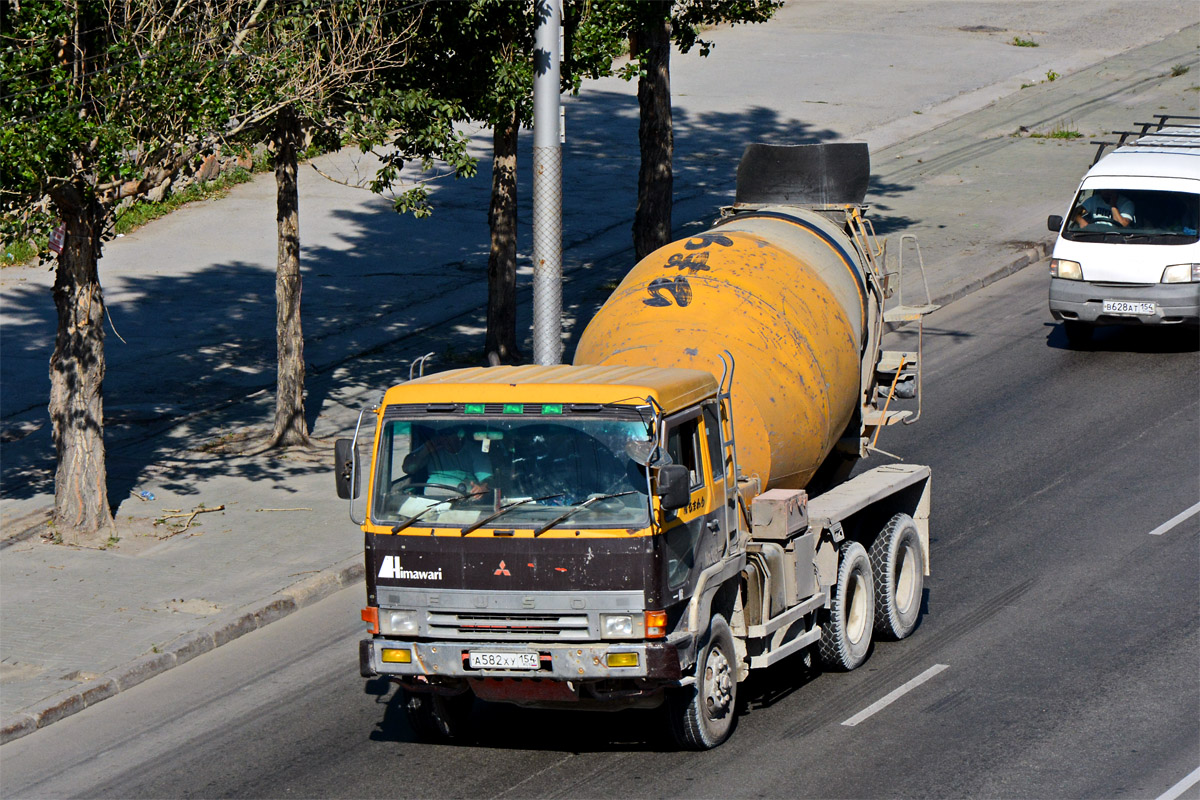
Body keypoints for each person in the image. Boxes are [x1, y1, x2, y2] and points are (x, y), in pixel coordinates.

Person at [402, 429, 493, 498]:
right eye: (441, 435)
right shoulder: (431, 448)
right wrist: (426, 450)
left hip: (464, 502)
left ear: (459, 435)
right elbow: (407, 468)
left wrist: (481, 488)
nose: (444, 438)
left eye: (448, 434)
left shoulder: (474, 451)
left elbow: (487, 480)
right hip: (429, 501)